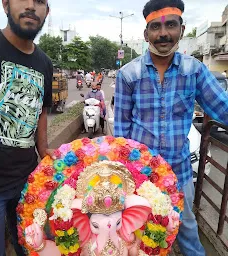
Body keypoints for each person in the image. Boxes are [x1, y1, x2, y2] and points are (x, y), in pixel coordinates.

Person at [114, 0, 228, 256]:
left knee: (186, 227)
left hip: (180, 172)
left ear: (182, 29)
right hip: (140, 176)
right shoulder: (128, 75)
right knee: (138, 231)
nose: (163, 33)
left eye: (171, 25)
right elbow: (121, 135)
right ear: (146, 34)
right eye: (155, 27)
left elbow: (222, 107)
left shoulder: (194, 71)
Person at [0, 1, 54, 256]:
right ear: (6, 5)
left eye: (40, 1)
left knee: (33, 248)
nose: (31, 6)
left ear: (46, 12)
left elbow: (41, 109)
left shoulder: (45, 62)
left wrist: (43, 149)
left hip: (27, 181)